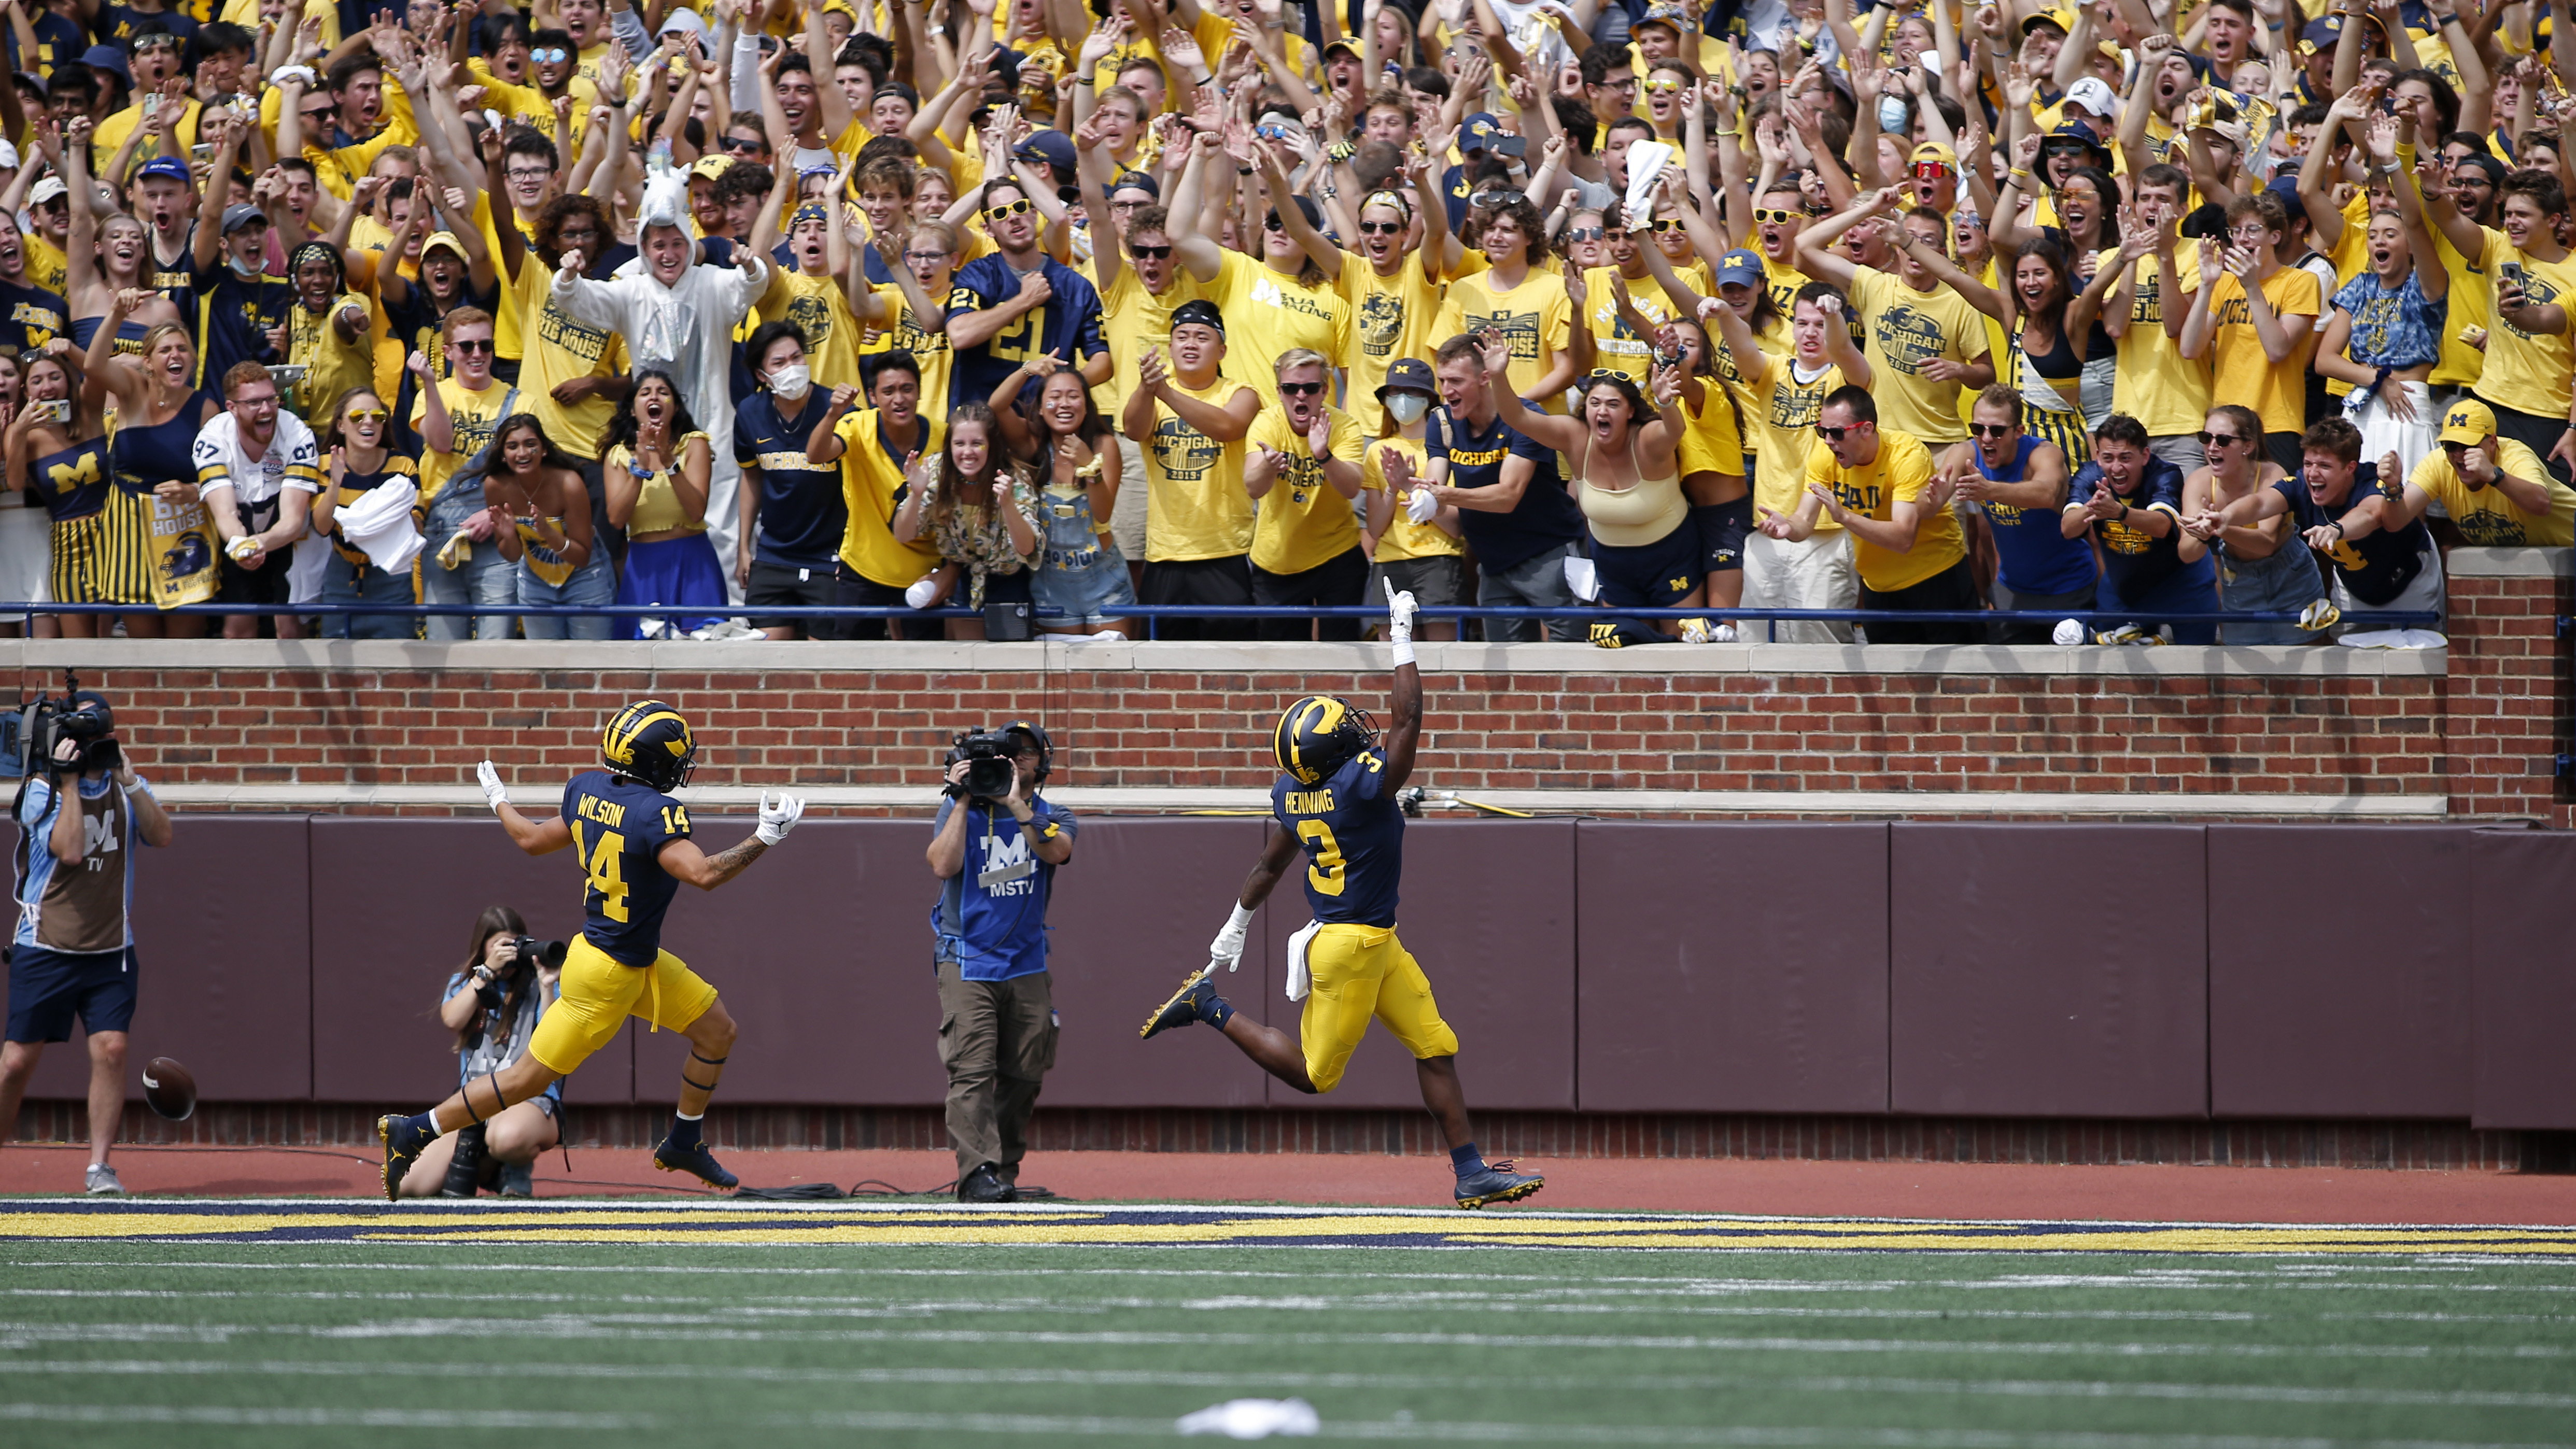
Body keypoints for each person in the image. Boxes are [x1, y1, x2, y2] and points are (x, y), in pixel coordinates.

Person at [1141, 585, 1545, 1210]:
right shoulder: (1360, 785)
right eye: (1348, 730)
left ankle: (1470, 1172)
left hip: (1373, 940)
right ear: (1335, 754)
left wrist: (1237, 921)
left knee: (1436, 1045)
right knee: (1314, 1075)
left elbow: (1270, 862)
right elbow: (1407, 720)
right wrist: (1402, 635)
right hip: (1350, 946)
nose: (1361, 729)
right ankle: (1208, 1005)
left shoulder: (1294, 793)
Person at [379, 702, 808, 1198]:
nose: (682, 766)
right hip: (604, 977)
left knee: (717, 1032)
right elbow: (705, 874)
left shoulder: (585, 789)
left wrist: (499, 799)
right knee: (522, 1081)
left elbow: (531, 839)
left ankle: (683, 1140)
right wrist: (764, 837)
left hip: (631, 962)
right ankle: (415, 1130)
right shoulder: (657, 812)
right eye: (676, 757)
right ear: (654, 762)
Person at [0, 693, 173, 1197]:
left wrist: (132, 781)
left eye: (98, 741)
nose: (92, 750)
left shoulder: (123, 791)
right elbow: (70, 849)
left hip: (109, 948)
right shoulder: (40, 790)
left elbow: (161, 835)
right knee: (14, 1062)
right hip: (45, 945)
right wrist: (69, 783)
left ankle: (100, 1165)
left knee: (113, 1048)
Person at [927, 721, 1073, 1203]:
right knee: (971, 1069)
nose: (1016, 760)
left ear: (1041, 763)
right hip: (966, 959)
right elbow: (941, 865)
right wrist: (964, 795)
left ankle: (1003, 1171)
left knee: (1025, 1073)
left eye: (1026, 753)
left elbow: (1057, 850)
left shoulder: (1053, 814)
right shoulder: (957, 809)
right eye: (1008, 753)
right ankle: (976, 1173)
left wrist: (1013, 802)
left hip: (1027, 962)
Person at [1698, 282, 1871, 644]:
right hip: (1768, 526)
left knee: (1819, 641)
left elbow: (1843, 349)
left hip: (1825, 533)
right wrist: (1727, 314)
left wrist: (1834, 315)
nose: (1810, 333)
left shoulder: (1847, 378)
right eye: (1801, 322)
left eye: (1819, 324)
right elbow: (1743, 348)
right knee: (1756, 639)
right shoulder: (1774, 369)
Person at [1757, 385, 1976, 644]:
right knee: (1889, 680)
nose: (1828, 441)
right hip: (1880, 588)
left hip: (1937, 579)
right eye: (1822, 431)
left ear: (1866, 429)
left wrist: (1845, 517)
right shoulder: (1825, 456)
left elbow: (1903, 539)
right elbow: (1804, 521)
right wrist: (1788, 529)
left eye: (1837, 433)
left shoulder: (1906, 455)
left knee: (1959, 677)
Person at [2201, 416, 2442, 638]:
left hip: (2409, 577)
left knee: (2419, 655)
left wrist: (2336, 529)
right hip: (2355, 587)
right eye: (2308, 463)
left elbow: (2370, 514)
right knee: (2351, 663)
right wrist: (2225, 516)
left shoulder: (2370, 481)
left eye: (2324, 466)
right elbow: (2260, 502)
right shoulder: (2300, 484)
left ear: (2350, 468)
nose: (2313, 473)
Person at [1418, 332, 1587, 642]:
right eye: (1442, 381)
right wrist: (1414, 490)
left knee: (1570, 657)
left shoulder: (1528, 419)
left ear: (1485, 378)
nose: (1446, 391)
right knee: (1502, 671)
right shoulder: (1441, 421)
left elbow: (1508, 496)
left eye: (1456, 381)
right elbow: (1435, 487)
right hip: (1493, 564)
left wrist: (1443, 495)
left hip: (1548, 556)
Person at [1121, 298, 1260, 640]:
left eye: (1202, 336)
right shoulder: (1151, 395)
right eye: (1182, 336)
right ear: (1169, 347)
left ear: (1222, 350)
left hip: (1225, 550)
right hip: (1165, 552)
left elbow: (1228, 427)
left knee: (1231, 659)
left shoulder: (1240, 392)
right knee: (1162, 663)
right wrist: (1146, 387)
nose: (1190, 343)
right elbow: (1134, 430)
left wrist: (1164, 391)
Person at [400, 909, 564, 1200]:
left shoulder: (542, 986)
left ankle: (516, 1171)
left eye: (515, 946)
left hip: (528, 1099)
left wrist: (548, 985)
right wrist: (485, 974)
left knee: (506, 1137)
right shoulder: (468, 983)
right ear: (484, 948)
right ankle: (491, 1173)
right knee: (409, 1185)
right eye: (501, 946)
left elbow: (553, 1038)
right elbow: (451, 1019)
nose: (510, 954)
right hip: (475, 1101)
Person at [86, 304, 218, 636]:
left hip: (184, 532)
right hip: (129, 531)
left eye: (183, 348)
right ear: (148, 362)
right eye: (166, 349)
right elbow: (93, 364)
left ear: (192, 359)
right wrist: (115, 313)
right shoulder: (132, 390)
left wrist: (196, 491)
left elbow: (225, 478)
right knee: (143, 652)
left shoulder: (207, 409)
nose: (176, 355)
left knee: (186, 652)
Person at [989, 354, 1132, 638]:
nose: (1065, 404)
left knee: (1111, 672)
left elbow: (1102, 513)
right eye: (1055, 397)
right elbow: (996, 407)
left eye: (1073, 396)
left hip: (1105, 584)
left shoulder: (1105, 445)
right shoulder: (1032, 444)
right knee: (1060, 677)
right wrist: (1027, 370)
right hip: (1051, 588)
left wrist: (1090, 465)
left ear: (1088, 406)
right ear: (1041, 409)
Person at [809, 351, 947, 641]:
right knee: (852, 669)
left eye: (907, 389)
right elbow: (816, 455)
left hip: (923, 575)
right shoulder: (857, 426)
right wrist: (833, 413)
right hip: (863, 569)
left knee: (925, 671)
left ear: (919, 392)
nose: (899, 399)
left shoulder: (943, 436)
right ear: (873, 396)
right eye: (889, 391)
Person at [1942, 386, 2095, 642]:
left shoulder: (2044, 454)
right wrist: (1931, 497)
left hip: (2069, 589)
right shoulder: (1966, 453)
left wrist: (1989, 489)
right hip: (2013, 591)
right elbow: (1929, 505)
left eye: (1998, 430)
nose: (1987, 438)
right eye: (1978, 429)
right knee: (2006, 679)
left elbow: (2046, 494)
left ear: (2019, 431)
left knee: (2074, 676)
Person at [191, 361, 322, 639]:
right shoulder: (212, 438)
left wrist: (259, 544)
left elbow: (293, 521)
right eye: (254, 403)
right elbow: (225, 513)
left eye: (271, 399)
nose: (266, 410)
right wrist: (242, 546)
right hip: (239, 528)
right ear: (232, 408)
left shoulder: (298, 435)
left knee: (290, 627)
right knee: (238, 629)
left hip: (286, 536)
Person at [1245, 348, 1369, 641]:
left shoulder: (1344, 426)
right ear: (1279, 391)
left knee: (1341, 655)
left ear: (1325, 390)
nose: (1301, 396)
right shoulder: (1266, 423)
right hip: (1279, 559)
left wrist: (1324, 455)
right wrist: (1268, 467)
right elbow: (1253, 486)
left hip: (1336, 555)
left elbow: (1351, 488)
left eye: (1311, 388)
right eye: (1291, 388)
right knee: (1281, 662)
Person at [735, 321, 849, 639]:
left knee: (822, 669)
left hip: (830, 560)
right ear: (762, 375)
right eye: (780, 363)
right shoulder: (748, 413)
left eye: (797, 357)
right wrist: (745, 547)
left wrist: (853, 558)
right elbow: (751, 477)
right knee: (768, 666)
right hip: (774, 556)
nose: (792, 368)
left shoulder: (837, 409)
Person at [413, 311, 520, 642]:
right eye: (466, 346)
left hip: (498, 533)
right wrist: (430, 383)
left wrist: (494, 513)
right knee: (443, 652)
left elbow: (526, 475)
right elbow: (442, 443)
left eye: (485, 345)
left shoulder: (520, 401)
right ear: (447, 352)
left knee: (496, 649)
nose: (477, 354)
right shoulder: (431, 395)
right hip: (443, 531)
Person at [891, 401, 1038, 638]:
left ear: (992, 445)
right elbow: (903, 534)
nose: (967, 452)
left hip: (1008, 579)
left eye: (977, 444)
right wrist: (916, 496)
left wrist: (1008, 505)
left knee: (1009, 666)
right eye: (959, 444)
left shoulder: (1014, 478)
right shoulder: (936, 471)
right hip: (963, 576)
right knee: (970, 661)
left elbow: (1028, 548)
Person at [2071, 414, 2221, 645]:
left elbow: (2162, 526)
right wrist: (2090, 508)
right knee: (2113, 666)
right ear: (2098, 458)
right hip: (2124, 586)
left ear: (2145, 456)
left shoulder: (2165, 474)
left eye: (2126, 457)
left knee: (2196, 668)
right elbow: (2067, 529)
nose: (2117, 467)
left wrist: (2118, 512)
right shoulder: (2089, 477)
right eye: (2108, 458)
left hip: (2183, 585)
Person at [604, 370, 726, 640]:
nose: (654, 396)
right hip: (644, 568)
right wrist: (639, 470)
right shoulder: (619, 455)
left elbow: (696, 510)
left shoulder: (694, 444)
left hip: (693, 563)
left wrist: (670, 462)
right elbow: (615, 519)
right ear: (634, 410)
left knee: (702, 649)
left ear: (676, 407)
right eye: (645, 392)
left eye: (663, 392)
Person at [2178, 405, 2313, 646]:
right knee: (2245, 678)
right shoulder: (2199, 481)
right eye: (2206, 438)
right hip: (2239, 585)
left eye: (2223, 440)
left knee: (2306, 668)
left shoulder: (2273, 474)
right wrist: (2200, 536)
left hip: (2291, 578)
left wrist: (2220, 527)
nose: (2212, 447)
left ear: (2248, 446)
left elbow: (2267, 544)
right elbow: (2187, 554)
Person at [6, 346, 112, 638]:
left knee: (108, 639)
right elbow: (15, 482)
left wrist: (70, 349)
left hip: (109, 533)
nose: (48, 387)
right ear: (26, 392)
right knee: (77, 645)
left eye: (55, 377)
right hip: (67, 540)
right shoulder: (21, 433)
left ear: (68, 380)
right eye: (37, 381)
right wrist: (21, 432)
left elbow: (98, 371)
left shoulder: (89, 412)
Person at [481, 413, 610, 641]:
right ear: (503, 455)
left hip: (584, 578)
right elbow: (511, 556)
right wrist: (509, 536)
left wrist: (549, 533)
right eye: (512, 446)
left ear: (544, 450)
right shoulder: (496, 486)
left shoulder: (569, 483)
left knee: (590, 660)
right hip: (535, 580)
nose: (522, 453)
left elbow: (582, 557)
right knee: (545, 662)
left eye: (530, 445)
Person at [308, 386, 424, 641]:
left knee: (395, 664)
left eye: (378, 416)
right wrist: (336, 484)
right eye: (358, 416)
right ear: (340, 425)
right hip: (342, 576)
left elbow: (417, 527)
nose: (368, 422)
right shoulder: (324, 464)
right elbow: (322, 527)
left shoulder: (403, 466)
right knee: (339, 663)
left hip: (391, 577)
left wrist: (387, 518)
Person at [1362, 359, 1465, 642]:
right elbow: (1374, 529)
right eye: (1395, 391)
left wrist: (1411, 488)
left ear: (1429, 399)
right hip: (1389, 562)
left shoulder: (1447, 448)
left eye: (1412, 392)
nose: (1403, 400)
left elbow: (1455, 526)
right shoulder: (1377, 451)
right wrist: (1392, 489)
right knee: (1395, 656)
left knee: (1442, 660)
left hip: (1439, 559)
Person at [2385, 399, 2576, 546]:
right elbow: (2395, 523)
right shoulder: (2439, 462)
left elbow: (2542, 505)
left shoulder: (2515, 454)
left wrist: (2494, 476)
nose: (2459, 454)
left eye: (2468, 445)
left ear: (2493, 442)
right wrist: (2393, 489)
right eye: (2451, 445)